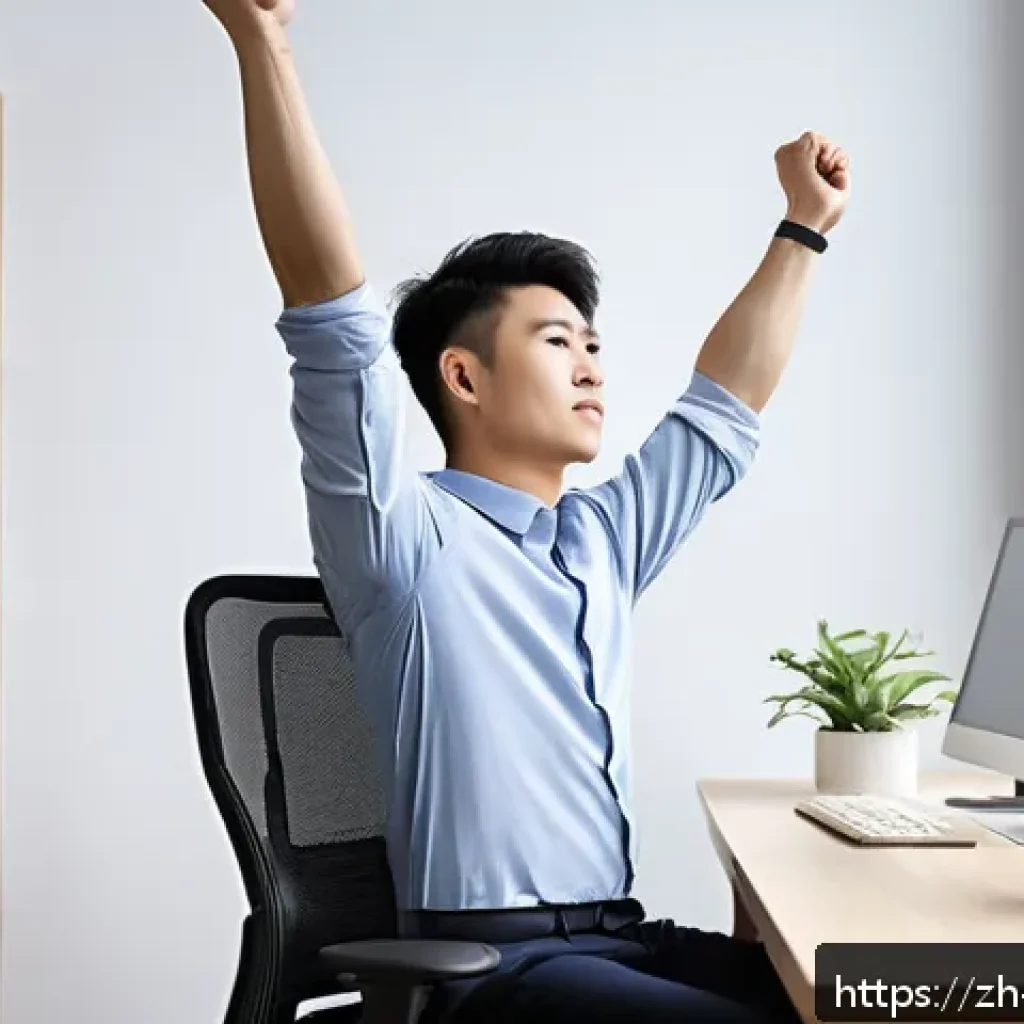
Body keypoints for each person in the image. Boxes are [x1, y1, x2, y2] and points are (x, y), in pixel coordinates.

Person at [200, 1, 850, 1020]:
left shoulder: (604, 539)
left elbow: (723, 406)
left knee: (896, 995)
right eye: (557, 341)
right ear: (462, 375)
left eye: (593, 342)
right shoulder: (398, 541)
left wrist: (802, 226)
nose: (591, 363)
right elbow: (331, 318)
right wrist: (262, 41)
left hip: (620, 938)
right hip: (485, 975)